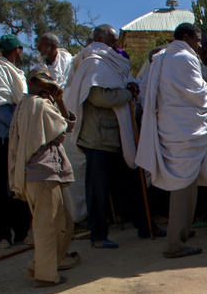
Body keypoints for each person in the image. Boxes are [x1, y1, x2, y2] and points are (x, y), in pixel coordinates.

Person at [65, 24, 154, 248]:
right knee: (98, 190)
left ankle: (145, 226)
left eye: (116, 41)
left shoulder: (114, 63)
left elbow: (124, 85)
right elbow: (99, 97)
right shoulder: (93, 63)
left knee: (131, 184)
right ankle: (98, 235)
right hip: (97, 138)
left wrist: (131, 87)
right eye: (112, 40)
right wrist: (126, 93)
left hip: (118, 137)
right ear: (99, 39)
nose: (116, 45)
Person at [135, 23, 207, 258]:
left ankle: (179, 230)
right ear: (186, 36)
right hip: (184, 132)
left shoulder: (161, 58)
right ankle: (175, 243)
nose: (199, 44)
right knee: (184, 186)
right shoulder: (183, 58)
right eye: (197, 39)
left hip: (169, 129)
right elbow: (197, 92)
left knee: (182, 184)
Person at [8, 68, 80, 287]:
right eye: (42, 84)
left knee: (64, 224)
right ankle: (45, 276)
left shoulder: (25, 105)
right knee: (49, 226)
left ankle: (38, 267)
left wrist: (58, 100)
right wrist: (59, 102)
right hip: (42, 172)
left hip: (41, 173)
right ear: (32, 84)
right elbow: (64, 129)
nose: (47, 88)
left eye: (48, 84)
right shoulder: (39, 105)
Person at [0, 34, 33, 247]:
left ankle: (21, 232)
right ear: (17, 49)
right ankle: (2, 236)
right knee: (3, 188)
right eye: (21, 49)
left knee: (20, 185)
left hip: (19, 139)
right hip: (4, 139)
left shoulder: (16, 71)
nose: (22, 53)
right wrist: (19, 126)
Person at [36, 32, 84, 226]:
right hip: (47, 126)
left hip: (69, 122)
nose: (39, 49)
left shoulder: (70, 64)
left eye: (43, 45)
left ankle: (79, 216)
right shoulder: (39, 67)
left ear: (53, 46)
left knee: (74, 168)